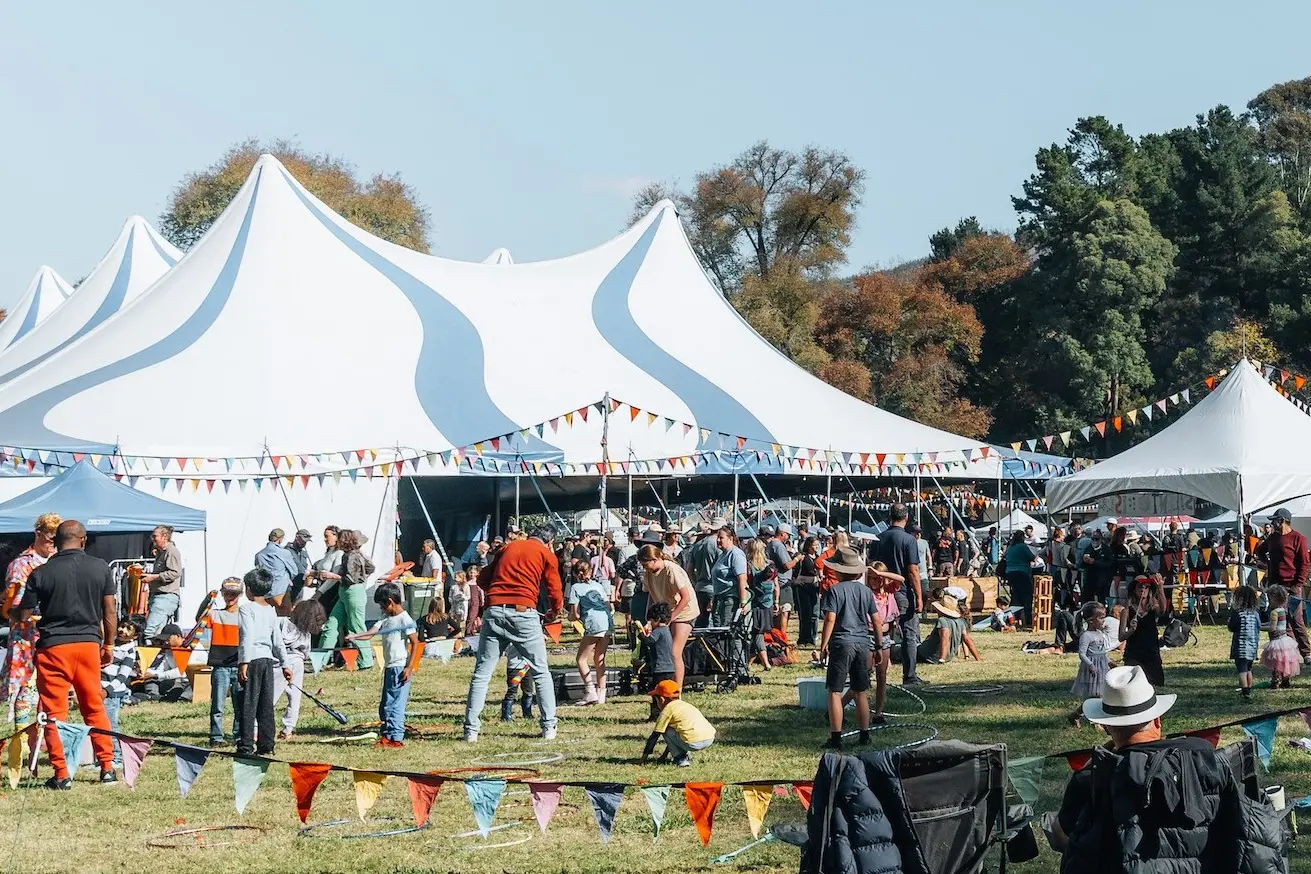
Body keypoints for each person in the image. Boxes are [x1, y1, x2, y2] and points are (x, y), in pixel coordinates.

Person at [1048, 666, 1272, 872]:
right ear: (1157, 719)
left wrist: (1094, 761)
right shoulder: (1207, 758)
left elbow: (1061, 837)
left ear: (1107, 726)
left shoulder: (1093, 777)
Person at [17, 520, 118, 787]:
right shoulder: (100, 567)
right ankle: (107, 767)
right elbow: (110, 610)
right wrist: (109, 645)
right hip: (88, 646)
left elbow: (24, 614)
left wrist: (10, 607)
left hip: (53, 648)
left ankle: (62, 774)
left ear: (55, 542)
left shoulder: (40, 572)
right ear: (83, 540)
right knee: (94, 706)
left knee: (53, 711)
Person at [462, 525, 564, 742]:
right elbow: (555, 590)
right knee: (540, 671)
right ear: (550, 542)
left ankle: (470, 731)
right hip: (523, 612)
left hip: (494, 610)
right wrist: (553, 613)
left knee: (482, 673)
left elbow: (482, 579)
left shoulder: (508, 548)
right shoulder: (546, 554)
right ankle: (549, 727)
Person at [0, 512, 60, 763]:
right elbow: (12, 606)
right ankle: (22, 741)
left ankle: (47, 740)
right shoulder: (21, 564)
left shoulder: (60, 560)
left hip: (54, 634)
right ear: (38, 534)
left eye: (56, 540)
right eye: (49, 539)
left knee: (52, 689)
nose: (53, 545)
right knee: (25, 690)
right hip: (26, 637)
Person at [818, 545, 877, 750]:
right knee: (860, 691)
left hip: (842, 642)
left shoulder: (834, 591)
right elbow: (876, 621)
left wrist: (823, 645)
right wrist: (878, 645)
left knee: (835, 691)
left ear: (837, 570)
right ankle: (864, 735)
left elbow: (830, 619)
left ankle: (836, 738)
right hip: (862, 642)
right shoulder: (866, 591)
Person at [348, 583, 421, 748]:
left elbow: (415, 643)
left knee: (395, 704)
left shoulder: (405, 619)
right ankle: (387, 734)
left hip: (400, 667)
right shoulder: (385, 618)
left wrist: (409, 668)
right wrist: (355, 636)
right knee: (386, 704)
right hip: (390, 667)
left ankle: (396, 738)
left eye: (382, 605)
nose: (381, 609)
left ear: (390, 602)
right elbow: (370, 634)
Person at [237, 567, 291, 757]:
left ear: (249, 588)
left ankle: (245, 745)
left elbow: (247, 635)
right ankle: (267, 744)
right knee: (265, 704)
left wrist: (243, 661)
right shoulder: (270, 610)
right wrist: (285, 664)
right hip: (268, 660)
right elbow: (277, 639)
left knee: (248, 703)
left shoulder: (245, 609)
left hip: (252, 659)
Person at [875, 504, 925, 686]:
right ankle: (909, 675)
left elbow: (874, 566)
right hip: (902, 591)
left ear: (890, 517)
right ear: (906, 518)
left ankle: (877, 670)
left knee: (881, 632)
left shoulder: (879, 538)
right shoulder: (909, 540)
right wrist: (919, 596)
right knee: (909, 633)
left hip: (883, 592)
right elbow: (913, 571)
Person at [640, 543, 698, 690]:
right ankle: (665, 686)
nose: (644, 568)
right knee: (663, 651)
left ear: (654, 559)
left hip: (684, 611)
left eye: (646, 564)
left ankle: (675, 691)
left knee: (674, 652)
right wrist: (649, 620)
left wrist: (670, 618)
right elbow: (651, 596)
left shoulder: (671, 570)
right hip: (664, 614)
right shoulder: (649, 573)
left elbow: (686, 597)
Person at [1256, 507, 1310, 664]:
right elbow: (1260, 551)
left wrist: (1297, 584)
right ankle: (1279, 652)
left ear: (1282, 521)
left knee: (1296, 620)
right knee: (1277, 622)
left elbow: (1305, 563)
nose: (1272, 524)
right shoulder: (1272, 538)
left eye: (1274, 521)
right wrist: (1268, 563)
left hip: (1292, 586)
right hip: (1275, 587)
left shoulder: (1298, 538)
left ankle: (1306, 653)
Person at [318, 530, 375, 670]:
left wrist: (332, 576)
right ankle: (319, 661)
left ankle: (366, 662)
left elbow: (351, 578)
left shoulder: (351, 556)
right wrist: (363, 576)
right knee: (331, 624)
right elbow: (371, 568)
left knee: (356, 627)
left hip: (352, 592)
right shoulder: (352, 555)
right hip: (345, 593)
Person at [274, 599, 326, 739]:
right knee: (294, 697)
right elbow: (307, 652)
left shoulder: (281, 622)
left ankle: (257, 727)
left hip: (280, 663)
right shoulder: (305, 631)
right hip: (298, 662)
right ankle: (288, 728)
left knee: (271, 696)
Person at [568, 559, 614, 705]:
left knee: (581, 659)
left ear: (576, 574)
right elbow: (608, 605)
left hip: (593, 624)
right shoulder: (599, 586)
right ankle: (602, 693)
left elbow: (575, 614)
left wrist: (570, 618)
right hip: (607, 623)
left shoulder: (575, 588)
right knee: (599, 659)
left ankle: (590, 691)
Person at [640, 680, 715, 767]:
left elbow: (655, 736)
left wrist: (643, 758)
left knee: (665, 729)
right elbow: (674, 739)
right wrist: (664, 756)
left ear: (661, 699)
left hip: (692, 742)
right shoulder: (685, 705)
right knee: (680, 731)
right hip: (709, 738)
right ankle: (684, 755)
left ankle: (681, 759)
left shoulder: (667, 710)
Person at [208, 577, 244, 747]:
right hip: (219, 665)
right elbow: (199, 619)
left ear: (240, 594)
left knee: (240, 704)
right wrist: (208, 600)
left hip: (238, 664)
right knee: (217, 705)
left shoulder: (244, 616)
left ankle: (238, 735)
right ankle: (216, 737)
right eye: (227, 593)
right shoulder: (215, 615)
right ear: (222, 594)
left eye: (234, 594)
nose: (230, 597)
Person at [100, 619, 138, 769]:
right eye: (122, 626)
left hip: (112, 693)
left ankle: (116, 757)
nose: (123, 630)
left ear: (135, 636)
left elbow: (122, 677)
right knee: (98, 725)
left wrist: (107, 691)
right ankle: (100, 757)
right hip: (98, 688)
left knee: (111, 726)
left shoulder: (129, 651)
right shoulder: (109, 643)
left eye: (129, 629)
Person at [1120, 574, 1169, 687]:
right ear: (1134, 589)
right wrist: (1131, 630)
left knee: (1156, 684)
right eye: (1140, 586)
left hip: (1151, 652)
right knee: (1132, 685)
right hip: (1133, 653)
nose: (1143, 589)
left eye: (1146, 587)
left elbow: (1162, 611)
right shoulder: (1126, 610)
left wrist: (1160, 588)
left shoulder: (1153, 607)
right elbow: (1121, 637)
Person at [1067, 602, 1109, 727]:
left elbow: (1102, 651)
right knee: (1094, 695)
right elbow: (1082, 654)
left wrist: (1108, 662)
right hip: (1092, 669)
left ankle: (1075, 715)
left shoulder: (1100, 634)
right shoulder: (1086, 636)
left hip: (1101, 667)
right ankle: (1095, 721)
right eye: (1101, 618)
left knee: (1100, 694)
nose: (1103, 621)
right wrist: (1090, 664)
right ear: (1091, 621)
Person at [141, 525, 183, 639]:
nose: (152, 538)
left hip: (166, 597)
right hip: (159, 597)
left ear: (164, 537)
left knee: (149, 631)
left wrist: (153, 577)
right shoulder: (161, 553)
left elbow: (175, 572)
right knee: (158, 635)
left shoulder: (171, 551)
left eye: (155, 536)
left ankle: (147, 656)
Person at [708, 523, 749, 629]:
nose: (717, 540)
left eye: (721, 538)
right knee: (718, 628)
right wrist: (713, 599)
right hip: (719, 598)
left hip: (730, 599)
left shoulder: (736, 554)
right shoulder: (722, 555)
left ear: (730, 539)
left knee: (728, 629)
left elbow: (742, 579)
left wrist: (743, 602)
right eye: (717, 537)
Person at [1260, 584, 1300, 689]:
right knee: (1284, 662)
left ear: (1274, 599)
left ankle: (1275, 681)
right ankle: (1285, 681)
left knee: (1276, 664)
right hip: (1285, 640)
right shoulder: (1283, 610)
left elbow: (1272, 627)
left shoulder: (1273, 612)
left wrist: (1258, 627)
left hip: (1276, 641)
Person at [681, 524, 720, 627]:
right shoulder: (717, 545)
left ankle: (700, 643)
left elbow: (689, 570)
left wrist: (696, 582)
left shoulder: (697, 545)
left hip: (700, 587)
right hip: (714, 588)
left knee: (700, 622)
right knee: (716, 623)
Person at [139, 624, 189, 701]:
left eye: (168, 639)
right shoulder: (169, 651)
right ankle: (153, 696)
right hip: (173, 681)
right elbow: (162, 668)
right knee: (151, 681)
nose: (165, 642)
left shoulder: (191, 647)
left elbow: (181, 671)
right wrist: (144, 672)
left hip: (188, 682)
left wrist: (156, 675)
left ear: (178, 636)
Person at [254, 528, 299, 612]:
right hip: (281, 592)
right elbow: (294, 571)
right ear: (280, 539)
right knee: (284, 620)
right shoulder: (284, 553)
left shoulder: (259, 555)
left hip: (265, 594)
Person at [767, 524, 801, 633]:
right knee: (784, 610)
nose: (788, 538)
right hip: (783, 582)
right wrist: (796, 559)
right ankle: (782, 636)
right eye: (787, 535)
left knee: (778, 611)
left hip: (777, 581)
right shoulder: (778, 545)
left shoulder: (771, 544)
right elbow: (786, 565)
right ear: (782, 533)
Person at [1229, 585, 1260, 700]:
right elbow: (1258, 627)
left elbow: (1231, 627)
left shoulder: (1237, 612)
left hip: (1240, 647)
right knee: (1249, 669)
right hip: (1252, 647)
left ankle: (1245, 690)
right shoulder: (1255, 614)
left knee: (1241, 670)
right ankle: (1249, 688)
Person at [303, 525, 343, 613]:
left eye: (327, 536)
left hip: (330, 593)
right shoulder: (329, 552)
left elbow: (334, 578)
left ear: (336, 537)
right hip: (321, 590)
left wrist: (319, 593)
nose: (325, 539)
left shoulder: (339, 553)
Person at [1002, 530, 1036, 625]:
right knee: (1027, 595)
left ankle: (1014, 619)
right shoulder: (1023, 547)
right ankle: (1028, 619)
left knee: (1016, 597)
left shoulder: (1010, 547)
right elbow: (1032, 557)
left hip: (1010, 573)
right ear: (1022, 538)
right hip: (1022, 573)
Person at [793, 536, 822, 646]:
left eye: (817, 545)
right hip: (803, 588)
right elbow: (797, 575)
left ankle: (812, 637)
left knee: (815, 614)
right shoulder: (803, 558)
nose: (816, 547)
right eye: (814, 545)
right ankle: (803, 638)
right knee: (805, 613)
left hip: (815, 589)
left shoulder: (818, 558)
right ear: (809, 546)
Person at [285, 528, 313, 602]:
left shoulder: (303, 553)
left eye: (305, 542)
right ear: (297, 537)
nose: (304, 544)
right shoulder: (286, 551)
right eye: (302, 541)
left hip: (300, 590)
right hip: (288, 589)